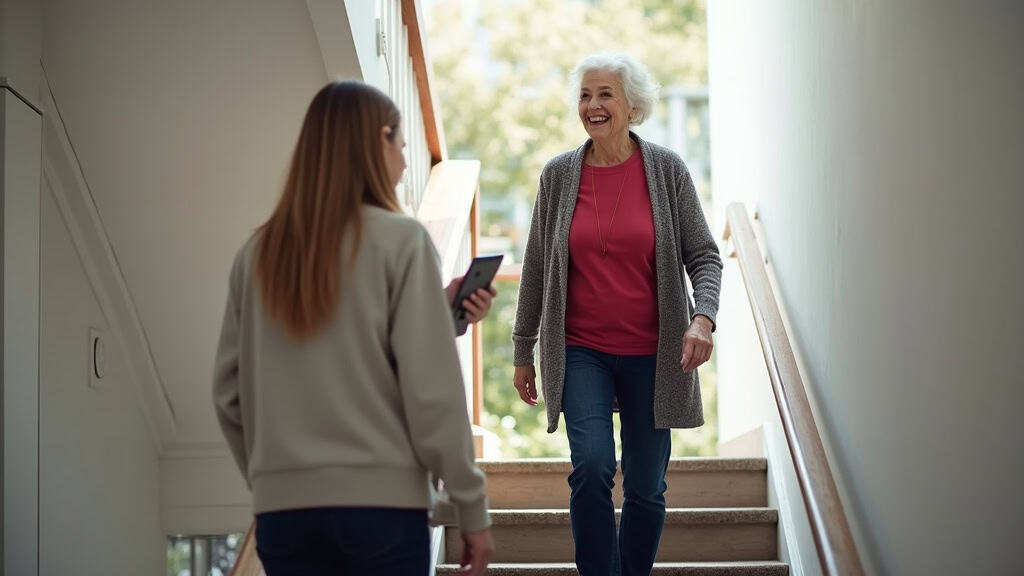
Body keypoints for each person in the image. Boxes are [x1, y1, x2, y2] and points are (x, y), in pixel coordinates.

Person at [213, 80, 495, 576]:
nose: (404, 163)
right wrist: (471, 506)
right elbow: (432, 392)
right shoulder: (402, 241)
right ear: (381, 138)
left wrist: (274, 482)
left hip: (284, 514)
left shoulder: (256, 254)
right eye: (401, 145)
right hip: (382, 509)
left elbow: (228, 395)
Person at [511, 52, 723, 576]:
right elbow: (536, 267)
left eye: (605, 94)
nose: (593, 105)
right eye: (585, 95)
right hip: (581, 350)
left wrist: (702, 318)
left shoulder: (667, 171)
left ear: (633, 106)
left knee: (646, 487)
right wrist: (523, 349)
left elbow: (704, 255)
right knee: (591, 466)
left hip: (653, 353)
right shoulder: (558, 175)